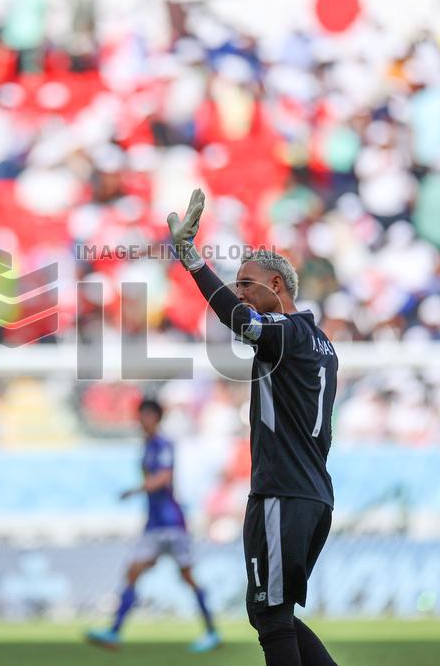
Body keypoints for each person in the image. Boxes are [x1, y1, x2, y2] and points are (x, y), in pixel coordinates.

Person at [168, 189, 338, 666]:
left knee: (270, 614)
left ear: (278, 285)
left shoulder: (286, 335)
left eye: (247, 283)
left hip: (283, 492)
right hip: (309, 492)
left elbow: (239, 321)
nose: (240, 292)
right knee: (269, 611)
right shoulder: (320, 342)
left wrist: (193, 262)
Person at [86, 397, 221, 653]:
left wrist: (136, 489)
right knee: (133, 571)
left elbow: (164, 478)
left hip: (171, 523)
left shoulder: (163, 445)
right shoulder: (148, 446)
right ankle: (114, 632)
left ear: (155, 418)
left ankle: (212, 632)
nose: (141, 421)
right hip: (154, 524)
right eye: (140, 416)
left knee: (187, 577)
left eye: (145, 416)